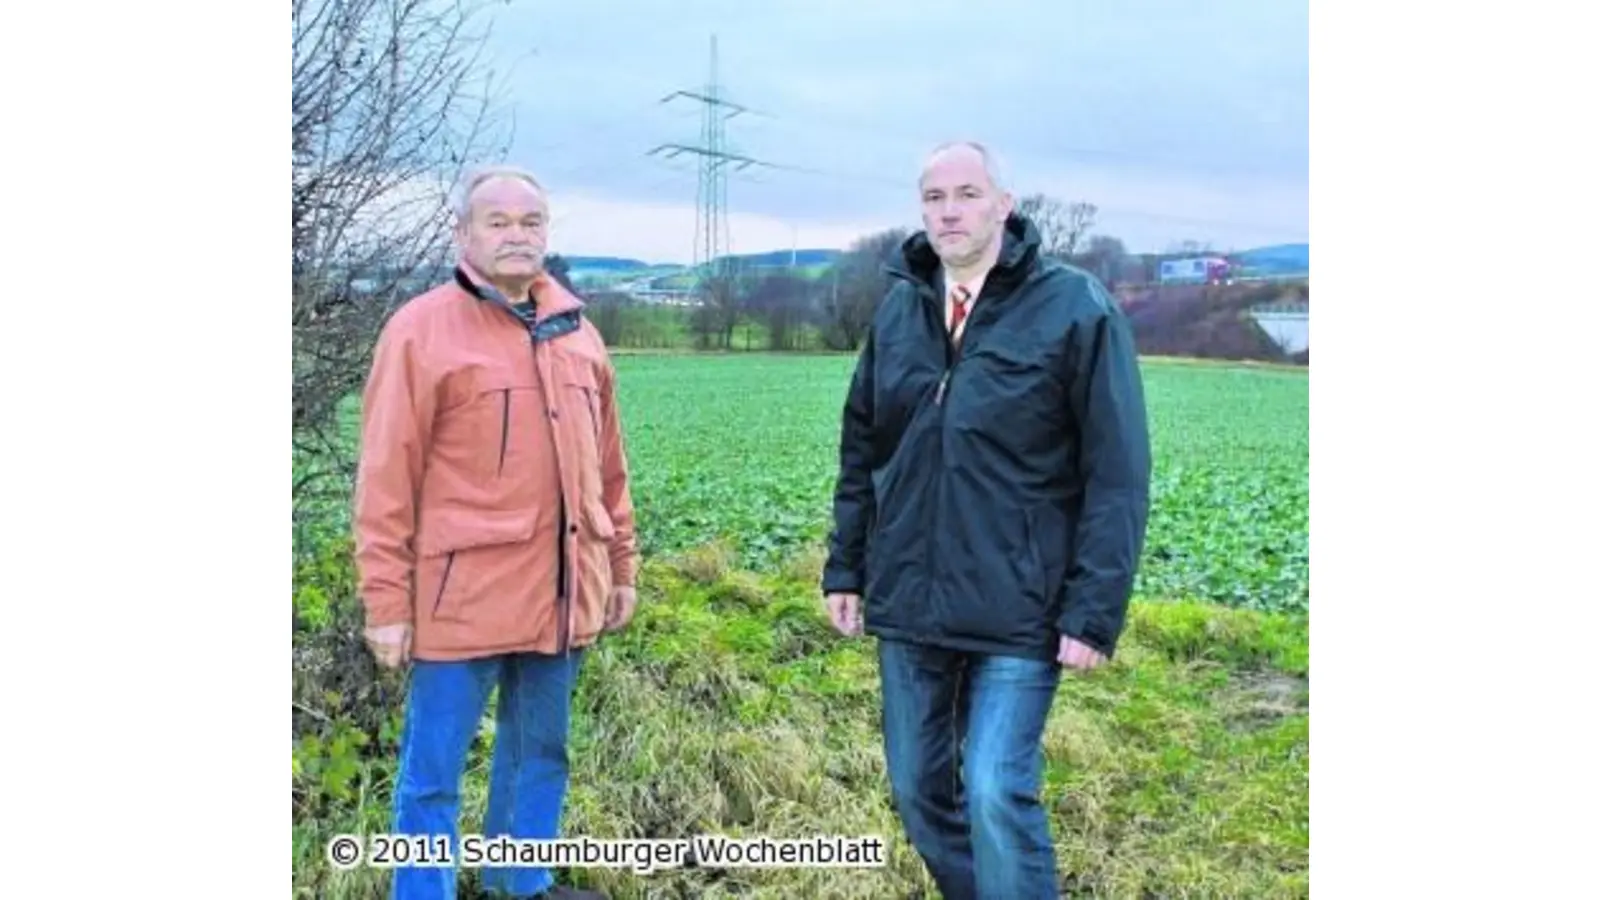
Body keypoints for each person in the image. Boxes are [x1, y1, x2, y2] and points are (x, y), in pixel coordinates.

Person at [820, 141, 1152, 899]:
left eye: (967, 194)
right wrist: (846, 564)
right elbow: (862, 448)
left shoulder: (1076, 307)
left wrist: (1093, 610)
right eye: (934, 198)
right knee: (917, 791)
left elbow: (1118, 473)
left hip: (1022, 602)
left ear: (1004, 203)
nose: (949, 211)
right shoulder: (901, 308)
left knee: (998, 788)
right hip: (910, 595)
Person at [353, 163, 637, 900]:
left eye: (531, 222)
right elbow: (385, 479)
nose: (517, 234)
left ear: (547, 233)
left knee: (540, 753)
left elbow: (610, 472)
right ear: (463, 233)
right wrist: (386, 604)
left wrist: (623, 569)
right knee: (433, 774)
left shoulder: (580, 335)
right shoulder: (420, 332)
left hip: (564, 593)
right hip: (460, 600)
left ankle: (522, 882)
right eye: (498, 221)